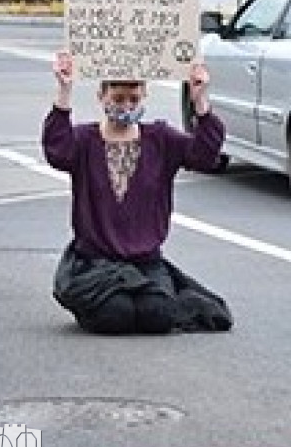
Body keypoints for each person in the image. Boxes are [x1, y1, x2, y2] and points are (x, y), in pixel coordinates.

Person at [42, 50, 233, 336]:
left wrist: (200, 101)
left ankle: (148, 297)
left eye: (134, 99)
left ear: (144, 96)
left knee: (158, 316)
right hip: (96, 263)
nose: (126, 106)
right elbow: (57, 150)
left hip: (144, 261)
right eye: (118, 99)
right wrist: (64, 90)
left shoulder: (160, 140)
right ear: (101, 97)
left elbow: (205, 155)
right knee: (114, 316)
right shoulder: (84, 141)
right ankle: (95, 305)